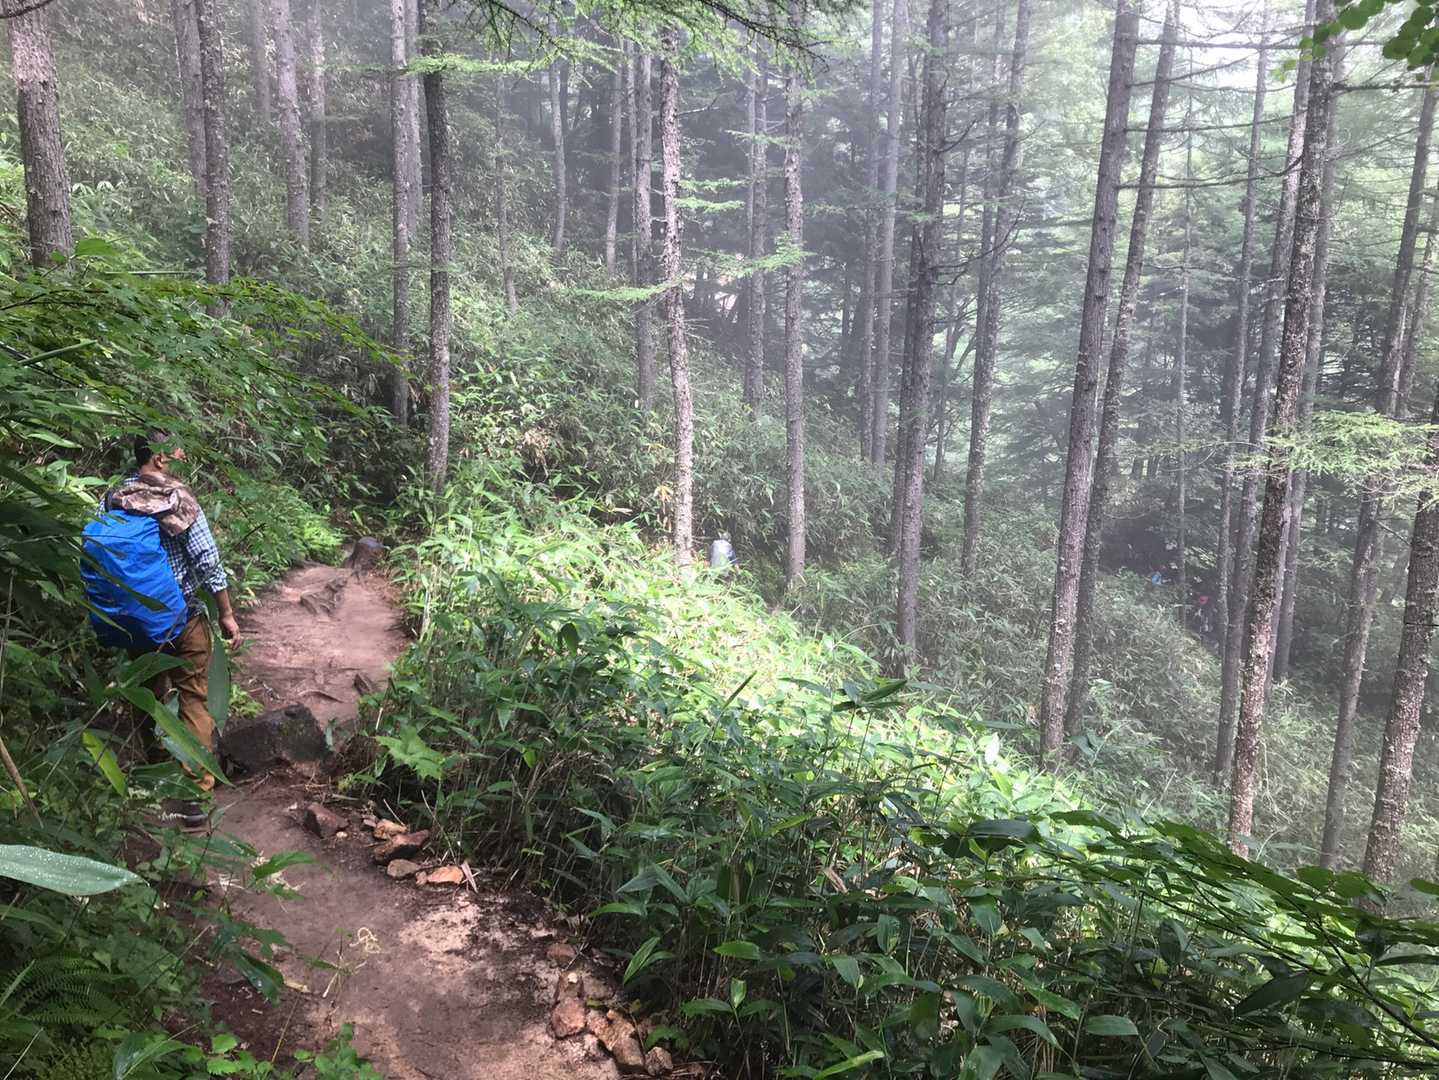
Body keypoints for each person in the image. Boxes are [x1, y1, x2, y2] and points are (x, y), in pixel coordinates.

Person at [104, 431, 240, 830]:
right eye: (177, 454)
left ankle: (155, 778)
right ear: (160, 459)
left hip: (135, 619)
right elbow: (207, 560)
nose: (182, 461)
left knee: (146, 697)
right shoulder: (178, 498)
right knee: (193, 698)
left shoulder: (114, 497)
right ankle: (194, 796)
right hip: (182, 617)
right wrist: (227, 613)